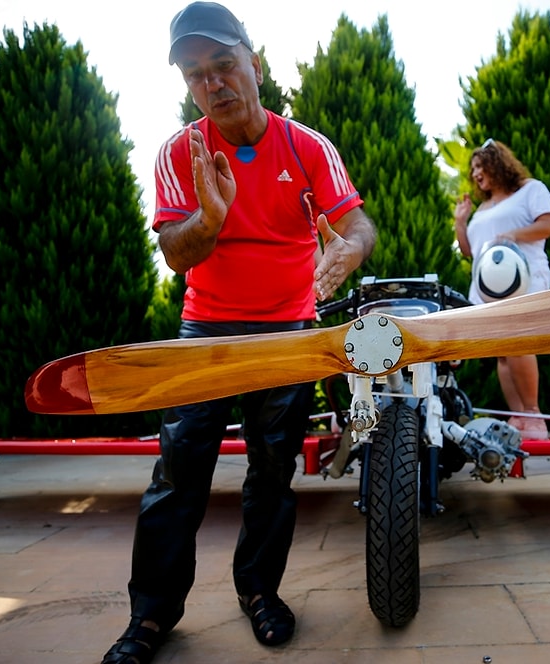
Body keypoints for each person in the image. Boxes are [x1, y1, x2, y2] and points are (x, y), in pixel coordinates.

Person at [102, 3, 377, 662]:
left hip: (288, 330)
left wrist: (348, 252)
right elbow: (176, 253)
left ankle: (259, 591)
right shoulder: (180, 152)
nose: (212, 83)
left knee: (273, 471)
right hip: (207, 332)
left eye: (223, 64)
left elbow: (359, 223)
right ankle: (151, 617)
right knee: (177, 473)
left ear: (253, 62)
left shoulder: (307, 145)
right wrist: (211, 219)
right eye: (196, 74)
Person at [453, 139, 550, 440]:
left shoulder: (530, 190)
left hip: (523, 279)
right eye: (472, 169)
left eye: (479, 166)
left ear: (497, 163)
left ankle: (534, 416)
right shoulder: (483, 208)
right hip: (486, 290)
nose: (475, 174)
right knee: (501, 353)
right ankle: (519, 418)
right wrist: (461, 222)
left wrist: (513, 234)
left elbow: (548, 226)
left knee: (519, 343)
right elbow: (470, 252)